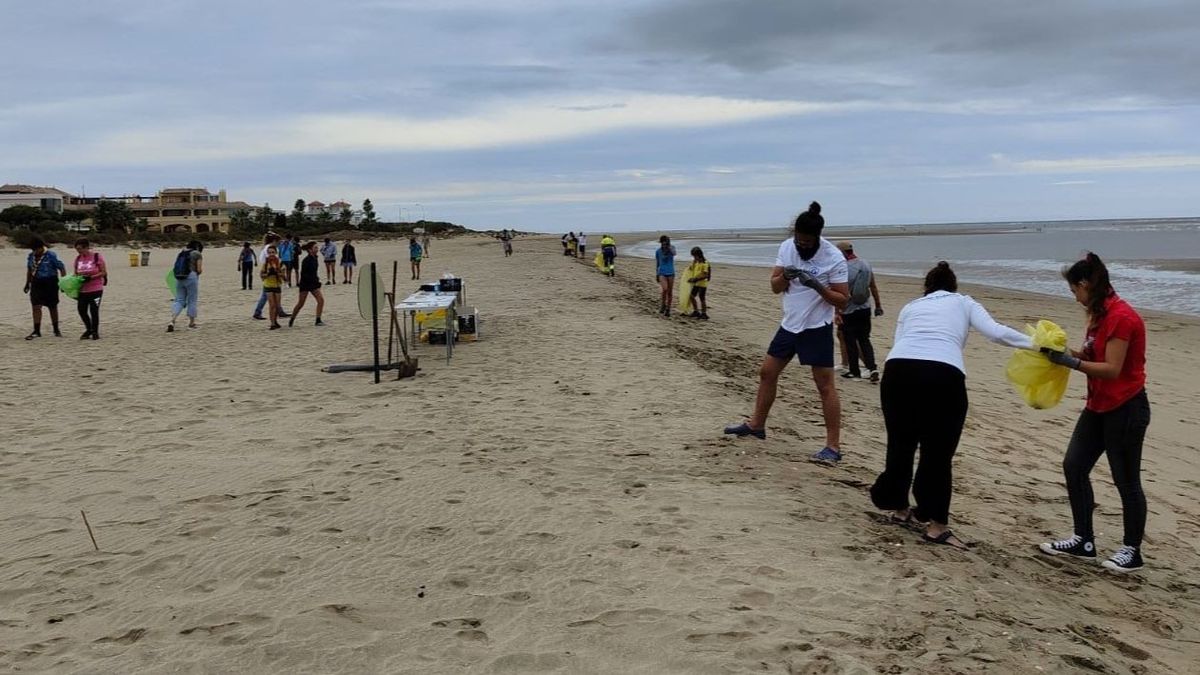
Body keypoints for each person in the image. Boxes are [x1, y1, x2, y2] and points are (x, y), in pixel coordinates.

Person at [868, 262, 1035, 549]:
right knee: (938, 451)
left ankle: (899, 509)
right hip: (942, 375)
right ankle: (936, 526)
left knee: (901, 444)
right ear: (953, 286)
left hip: (897, 372)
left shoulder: (912, 306)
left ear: (928, 287)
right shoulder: (964, 302)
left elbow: (900, 342)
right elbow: (996, 333)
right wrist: (1038, 344)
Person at [1038, 253, 1150, 573]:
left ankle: (1132, 549)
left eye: (1074, 291)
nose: (1074, 298)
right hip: (1098, 406)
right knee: (1074, 466)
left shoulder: (1121, 317)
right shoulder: (1097, 315)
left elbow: (1112, 369)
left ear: (1085, 284)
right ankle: (1083, 541)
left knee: (1126, 481)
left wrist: (1070, 363)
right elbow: (1089, 355)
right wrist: (1058, 353)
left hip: (1126, 408)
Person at [723, 202, 848, 462]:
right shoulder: (787, 247)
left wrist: (817, 286)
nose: (801, 245)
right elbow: (774, 286)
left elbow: (842, 300)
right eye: (798, 240)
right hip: (790, 324)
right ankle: (756, 425)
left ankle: (833, 447)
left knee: (825, 386)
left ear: (816, 238)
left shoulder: (833, 257)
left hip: (817, 327)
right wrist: (786, 277)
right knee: (767, 373)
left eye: (806, 242)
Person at [836, 241, 884, 382]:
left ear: (841, 253)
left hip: (848, 310)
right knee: (865, 340)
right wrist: (878, 305)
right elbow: (873, 286)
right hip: (865, 308)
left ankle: (854, 371)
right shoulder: (866, 264)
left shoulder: (843, 268)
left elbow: (840, 292)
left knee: (850, 340)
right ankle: (873, 368)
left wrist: (837, 312)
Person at [23, 237, 66, 339]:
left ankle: (56, 329)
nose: (35, 251)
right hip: (36, 282)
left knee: (52, 306)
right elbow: (29, 269)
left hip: (50, 282)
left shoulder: (51, 255)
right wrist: (27, 283)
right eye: (33, 250)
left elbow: (61, 267)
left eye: (36, 249)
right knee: (36, 306)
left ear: (41, 247)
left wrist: (63, 283)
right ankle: (36, 330)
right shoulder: (31, 256)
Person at [72, 238, 107, 340]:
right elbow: (75, 273)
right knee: (81, 310)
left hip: (96, 289)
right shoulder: (78, 259)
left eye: (80, 249)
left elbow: (103, 272)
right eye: (77, 249)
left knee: (94, 310)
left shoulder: (97, 257)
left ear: (86, 247)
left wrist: (91, 277)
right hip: (83, 290)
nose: (79, 251)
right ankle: (89, 328)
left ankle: (95, 331)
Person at [168, 240, 204, 332]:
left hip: (179, 278)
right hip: (191, 277)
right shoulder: (197, 254)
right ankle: (191, 323)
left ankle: (172, 320)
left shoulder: (182, 253)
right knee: (192, 300)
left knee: (179, 300)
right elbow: (199, 270)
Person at [253, 233, 290, 320]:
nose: (279, 244)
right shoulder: (271, 249)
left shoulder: (266, 247)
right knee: (267, 295)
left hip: (269, 273)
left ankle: (278, 311)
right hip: (270, 275)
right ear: (274, 241)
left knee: (268, 294)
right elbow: (272, 261)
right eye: (278, 242)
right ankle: (258, 312)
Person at [289, 241, 326, 327]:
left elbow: (314, 272)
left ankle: (318, 320)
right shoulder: (306, 260)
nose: (317, 249)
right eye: (315, 248)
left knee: (321, 300)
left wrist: (317, 281)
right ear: (310, 250)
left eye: (317, 247)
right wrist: (313, 281)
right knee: (301, 303)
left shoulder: (315, 258)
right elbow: (304, 274)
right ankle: (292, 319)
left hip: (313, 284)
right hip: (305, 284)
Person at [261, 245, 285, 329]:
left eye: (273, 252)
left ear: (276, 253)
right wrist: (268, 274)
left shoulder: (279, 263)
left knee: (277, 305)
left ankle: (275, 321)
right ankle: (272, 324)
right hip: (268, 285)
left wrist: (277, 273)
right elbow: (262, 276)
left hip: (277, 285)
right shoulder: (265, 263)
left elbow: (284, 276)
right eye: (269, 252)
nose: (271, 254)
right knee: (272, 305)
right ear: (267, 253)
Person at [685, 246, 711, 319]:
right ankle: (696, 311)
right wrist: (693, 264)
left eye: (694, 256)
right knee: (691, 296)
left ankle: (704, 313)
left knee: (702, 298)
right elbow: (692, 269)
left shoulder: (705, 263)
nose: (694, 258)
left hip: (702, 284)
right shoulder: (696, 262)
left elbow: (705, 274)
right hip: (696, 283)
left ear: (698, 255)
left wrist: (695, 279)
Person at [655, 235, 677, 316]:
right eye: (662, 243)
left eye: (665, 243)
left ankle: (668, 308)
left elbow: (674, 253)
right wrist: (657, 274)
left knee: (670, 292)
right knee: (665, 289)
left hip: (671, 272)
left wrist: (669, 247)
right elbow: (657, 263)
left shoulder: (672, 248)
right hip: (662, 272)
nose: (664, 245)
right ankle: (663, 304)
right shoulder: (658, 251)